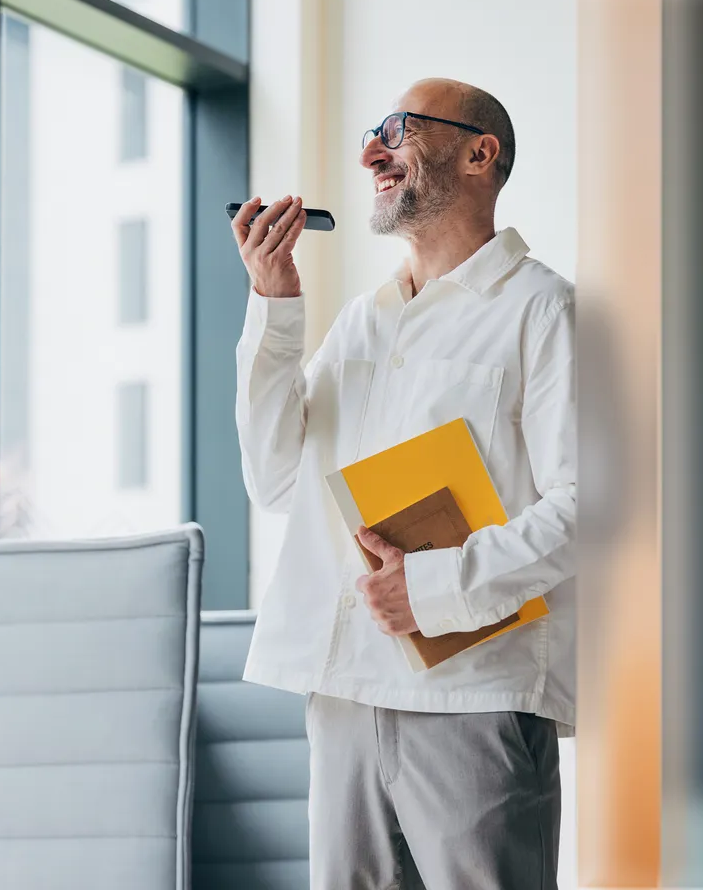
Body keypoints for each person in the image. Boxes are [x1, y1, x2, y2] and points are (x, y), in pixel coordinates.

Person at [230, 77, 575, 890]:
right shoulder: (363, 320)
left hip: (475, 696)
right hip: (344, 689)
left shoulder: (543, 312)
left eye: (398, 130)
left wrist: (432, 587)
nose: (369, 153)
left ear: (479, 153)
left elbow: (589, 505)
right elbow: (276, 479)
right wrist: (275, 309)